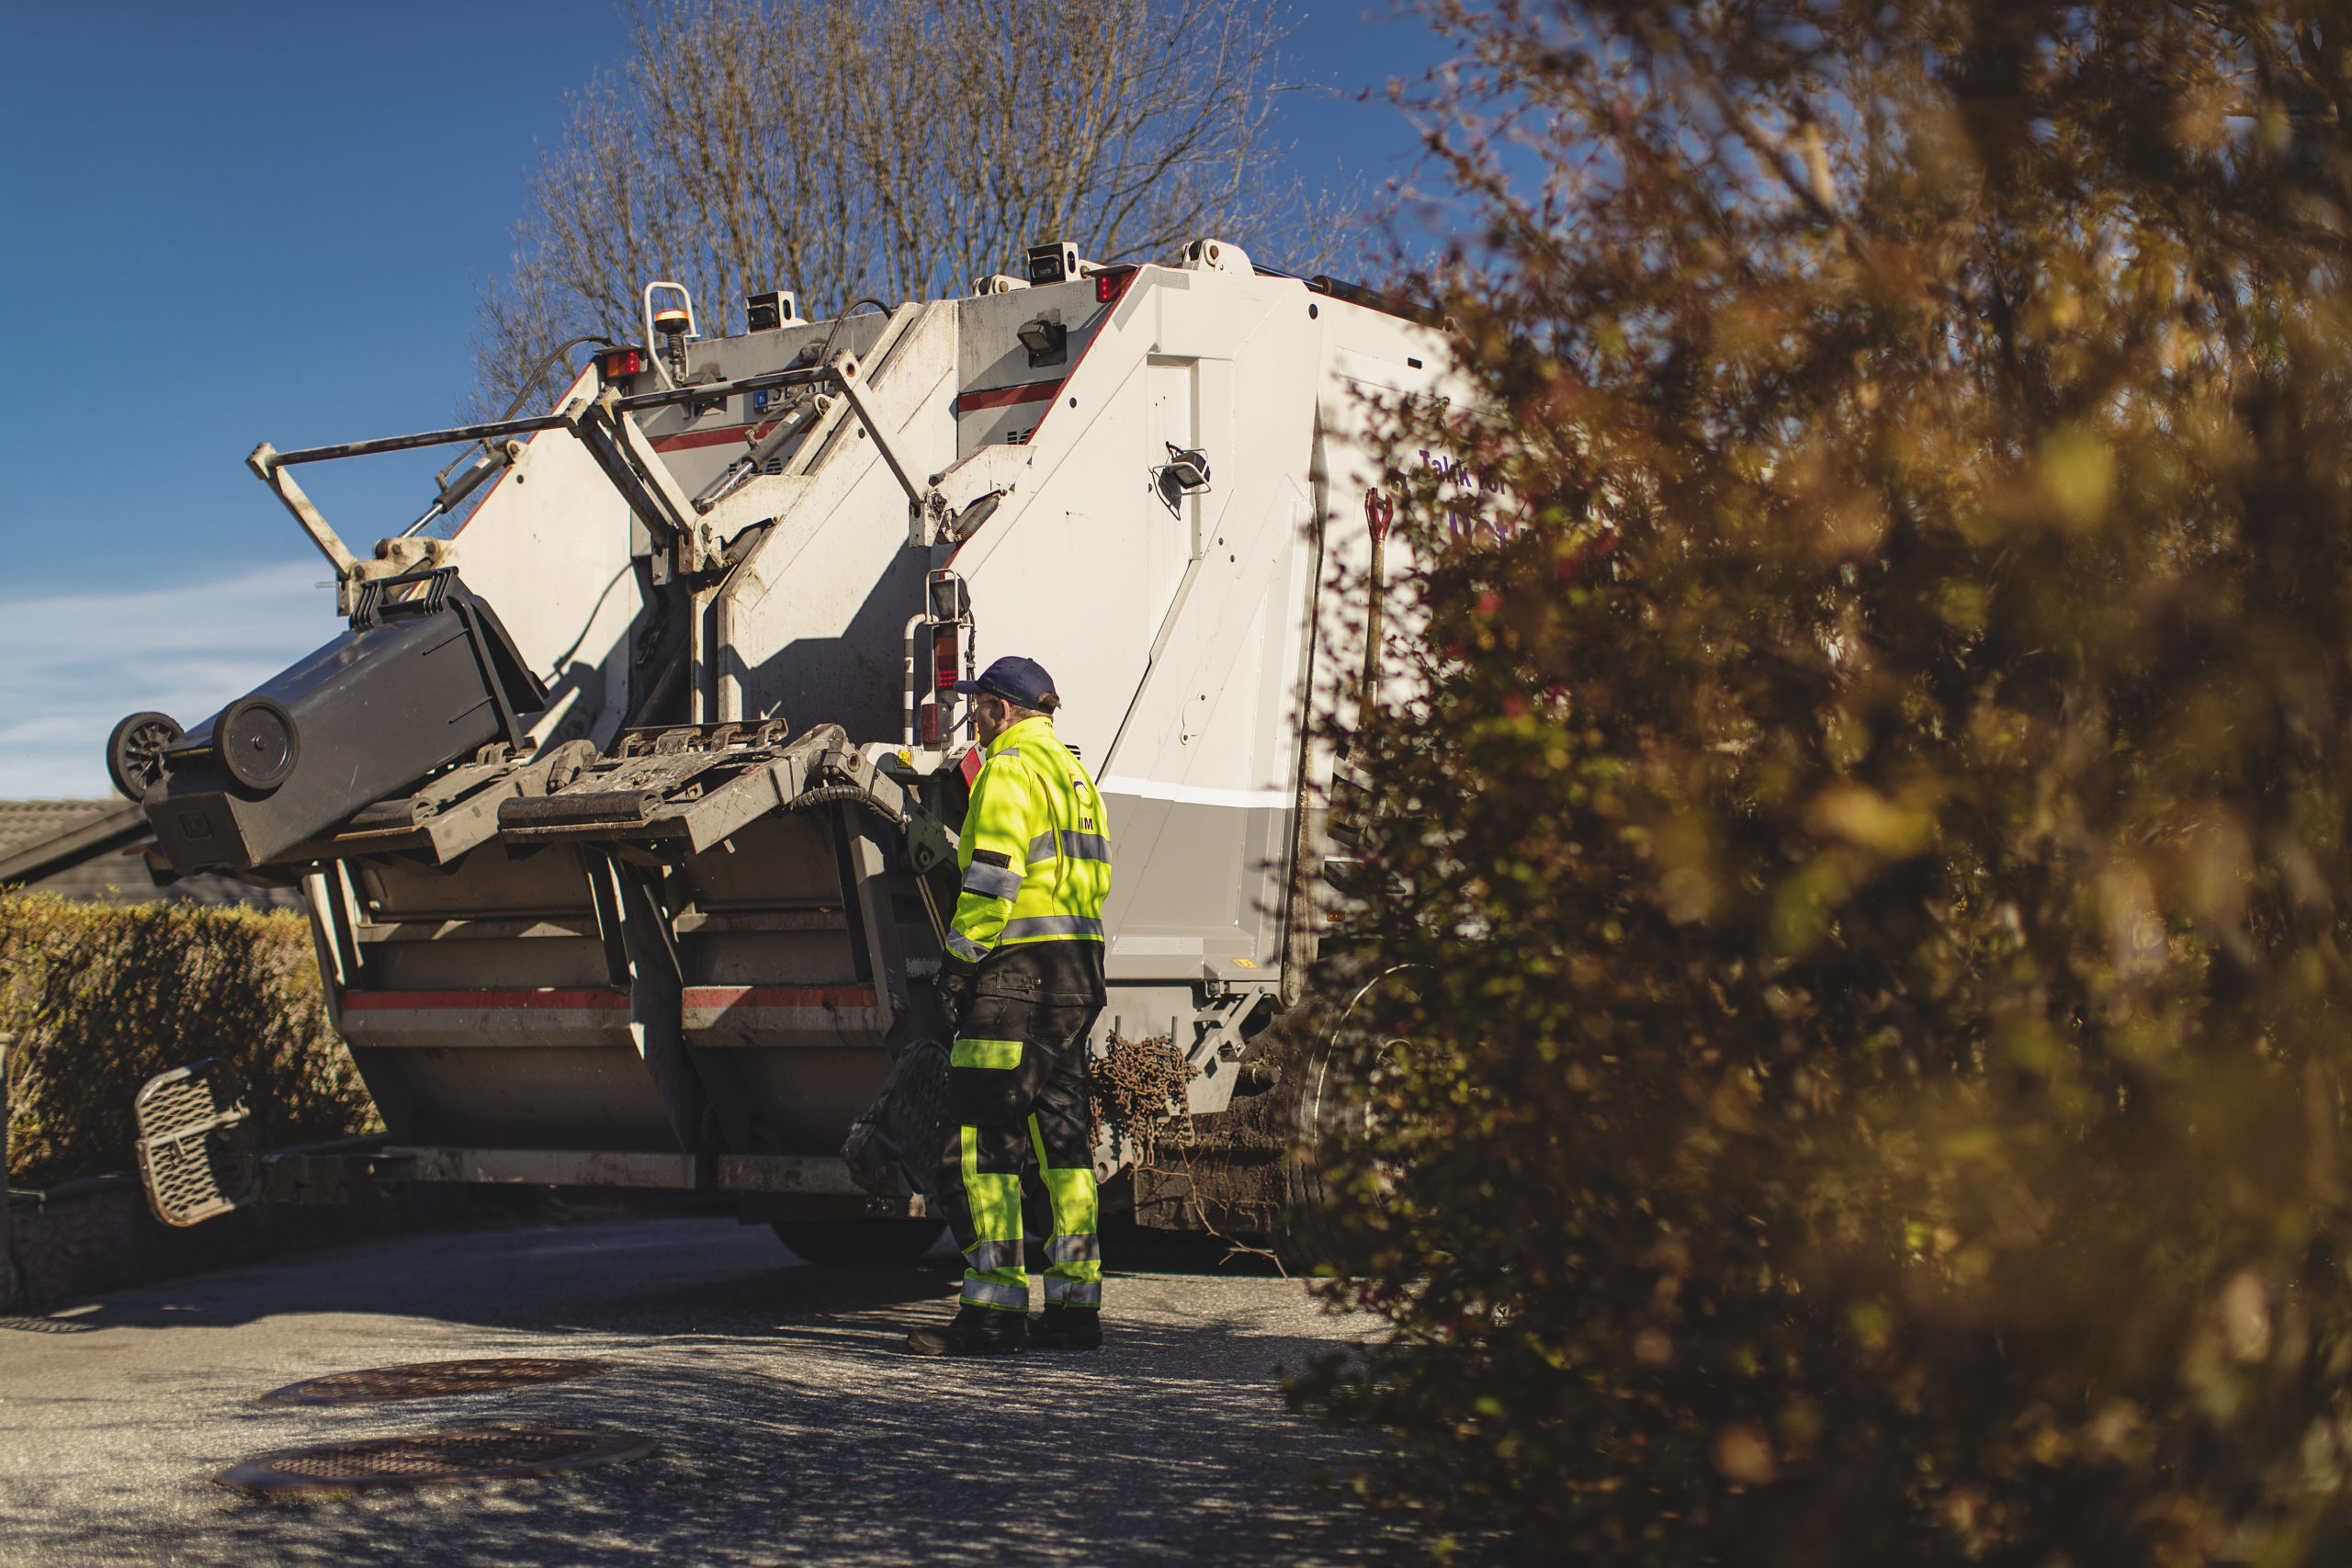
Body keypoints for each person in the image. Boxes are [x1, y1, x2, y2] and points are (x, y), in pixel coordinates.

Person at [907, 655, 1113, 1356]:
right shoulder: (1077, 775)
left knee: (981, 1140)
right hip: (1078, 974)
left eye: (980, 705)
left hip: (1016, 980)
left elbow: (994, 877)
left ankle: (992, 1312)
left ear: (1002, 709)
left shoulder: (1007, 768)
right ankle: (1074, 1307)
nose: (975, 718)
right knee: (1064, 1146)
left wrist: (960, 966)